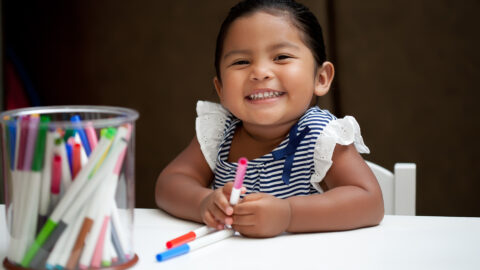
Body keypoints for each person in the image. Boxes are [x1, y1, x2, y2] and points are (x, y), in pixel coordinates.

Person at [156, 0, 384, 238]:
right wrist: (203, 202)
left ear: (321, 78)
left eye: (281, 57)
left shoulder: (321, 136)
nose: (260, 73)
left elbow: (369, 201)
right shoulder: (219, 133)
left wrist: (289, 214)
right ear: (220, 88)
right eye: (241, 62)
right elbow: (169, 183)